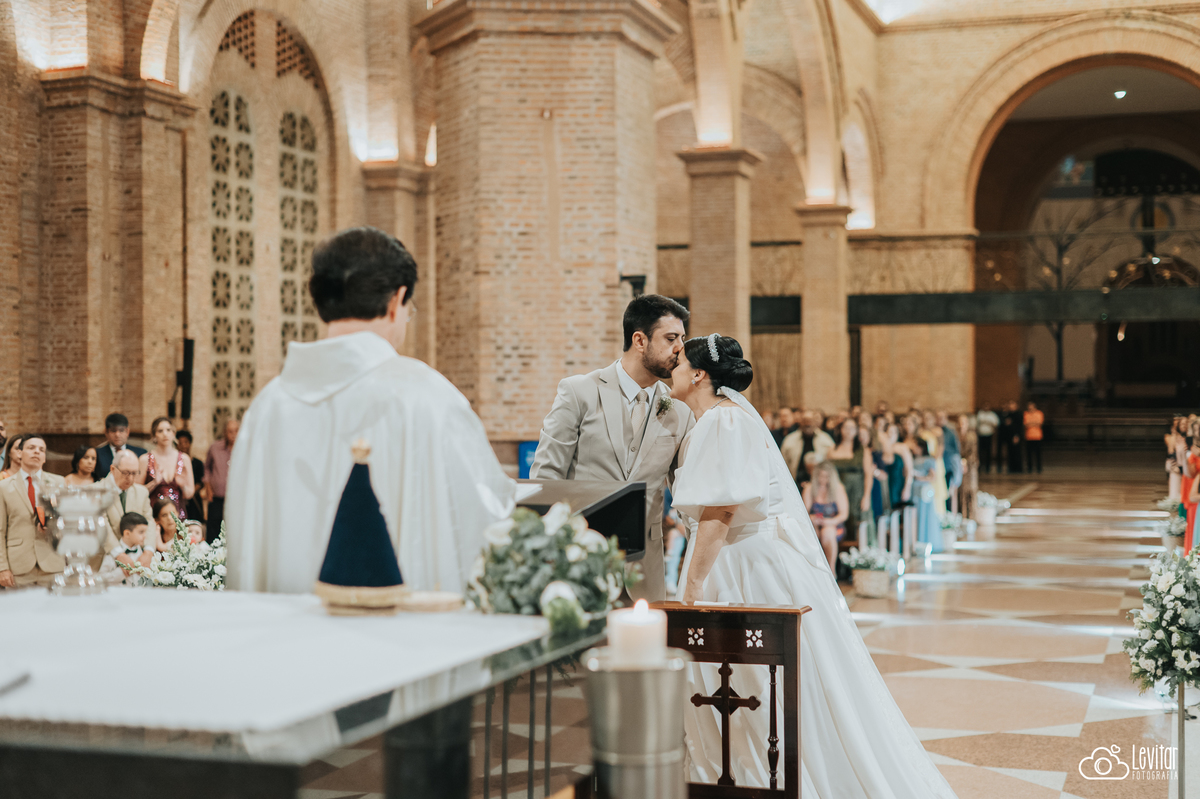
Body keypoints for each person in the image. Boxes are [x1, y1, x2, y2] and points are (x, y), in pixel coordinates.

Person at [668, 334, 957, 797]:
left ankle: (768, 778)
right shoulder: (724, 415)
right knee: (742, 681)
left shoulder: (723, 420)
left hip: (741, 562)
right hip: (736, 554)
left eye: (680, 361)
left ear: (699, 374)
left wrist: (693, 586)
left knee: (753, 681)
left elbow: (721, 508)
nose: (673, 367)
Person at [226, 226, 516, 594]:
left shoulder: (268, 407)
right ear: (397, 300)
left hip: (284, 625)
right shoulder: (426, 397)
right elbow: (482, 523)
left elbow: (245, 550)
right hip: (395, 625)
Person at [531, 294, 694, 602]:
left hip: (645, 571)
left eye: (682, 339)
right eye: (671, 338)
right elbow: (546, 478)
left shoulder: (681, 411)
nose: (680, 349)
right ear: (639, 340)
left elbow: (688, 493)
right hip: (578, 560)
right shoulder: (579, 392)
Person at [0, 436, 66, 589]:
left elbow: (68, 521)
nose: (37, 452)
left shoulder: (59, 483)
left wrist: (54, 526)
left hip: (52, 562)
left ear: (44, 458)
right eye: (31, 448)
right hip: (19, 566)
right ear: (20, 453)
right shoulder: (4, 487)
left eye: (41, 450)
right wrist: (2, 567)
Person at [101, 450, 158, 557]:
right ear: (113, 469)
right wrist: (118, 554)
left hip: (137, 556)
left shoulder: (141, 492)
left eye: (134, 473)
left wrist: (148, 551)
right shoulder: (96, 492)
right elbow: (101, 524)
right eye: (126, 473)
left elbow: (149, 521)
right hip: (105, 557)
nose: (131, 478)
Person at [139, 417, 195, 520]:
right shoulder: (145, 459)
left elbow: (189, 494)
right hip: (153, 516)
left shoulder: (184, 459)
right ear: (154, 435)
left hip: (178, 515)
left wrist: (182, 485)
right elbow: (136, 493)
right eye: (160, 431)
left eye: (168, 430)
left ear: (173, 433)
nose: (165, 434)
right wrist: (154, 483)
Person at [827, 417, 872, 545]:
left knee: (855, 522)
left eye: (852, 428)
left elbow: (868, 475)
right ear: (840, 429)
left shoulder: (863, 450)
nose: (848, 431)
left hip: (856, 492)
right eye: (846, 427)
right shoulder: (832, 449)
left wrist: (866, 496)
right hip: (836, 492)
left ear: (857, 431)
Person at [803, 460, 849, 572]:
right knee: (812, 532)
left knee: (827, 532)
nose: (823, 479)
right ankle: (815, 569)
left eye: (826, 477)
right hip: (815, 525)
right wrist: (812, 518)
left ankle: (831, 570)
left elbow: (844, 514)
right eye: (821, 476)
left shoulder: (838, 488)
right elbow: (804, 513)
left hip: (834, 525)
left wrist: (830, 522)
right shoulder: (809, 488)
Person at [205, 419, 238, 543]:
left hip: (236, 499)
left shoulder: (244, 449)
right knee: (214, 529)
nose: (233, 434)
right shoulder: (215, 448)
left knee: (233, 528)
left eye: (236, 431)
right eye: (230, 431)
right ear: (225, 432)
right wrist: (208, 488)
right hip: (216, 498)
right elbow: (207, 468)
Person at [910, 437, 944, 554]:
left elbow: (933, 477)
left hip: (923, 492)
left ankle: (925, 541)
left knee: (924, 515)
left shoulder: (929, 460)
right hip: (914, 490)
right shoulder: (913, 458)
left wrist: (920, 478)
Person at [781, 411, 834, 484]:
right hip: (795, 483)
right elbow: (782, 464)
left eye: (810, 421)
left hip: (820, 484)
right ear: (800, 422)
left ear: (815, 422)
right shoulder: (789, 440)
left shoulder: (825, 439)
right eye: (805, 421)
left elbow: (831, 463)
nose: (807, 424)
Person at [92, 413, 148, 482]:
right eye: (113, 431)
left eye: (121, 430)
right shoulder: (97, 454)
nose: (117, 435)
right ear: (106, 432)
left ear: (127, 432)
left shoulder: (141, 453)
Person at [175, 430, 206, 523]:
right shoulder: (174, 463)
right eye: (180, 443)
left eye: (186, 442)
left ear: (190, 443)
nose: (183, 445)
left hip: (193, 500)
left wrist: (190, 492)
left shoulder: (198, 463)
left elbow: (200, 482)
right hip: (178, 498)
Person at [1000, 400, 1023, 474]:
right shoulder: (1008, 414)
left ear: (1016, 406)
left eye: (1012, 405)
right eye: (1010, 405)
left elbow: (1019, 426)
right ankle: (1011, 468)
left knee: (1017, 453)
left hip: (1016, 436)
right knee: (1010, 453)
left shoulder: (1018, 414)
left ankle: (1018, 468)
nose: (1011, 406)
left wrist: (1016, 436)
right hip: (1009, 436)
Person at [975, 405, 998, 474]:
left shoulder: (992, 415)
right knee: (980, 451)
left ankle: (988, 467)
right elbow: (976, 423)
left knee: (988, 451)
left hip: (988, 435)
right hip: (981, 435)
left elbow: (996, 423)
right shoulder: (980, 414)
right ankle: (980, 466)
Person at [1023, 401, 1044, 474]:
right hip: (1028, 436)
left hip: (1037, 436)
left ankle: (1039, 468)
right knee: (1029, 454)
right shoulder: (1025, 414)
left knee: (1038, 454)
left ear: (1034, 407)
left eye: (1031, 406)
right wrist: (1033, 423)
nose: (1030, 408)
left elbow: (1039, 423)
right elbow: (1026, 424)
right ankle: (1030, 468)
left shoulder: (1039, 413)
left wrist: (1030, 423)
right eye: (1029, 407)